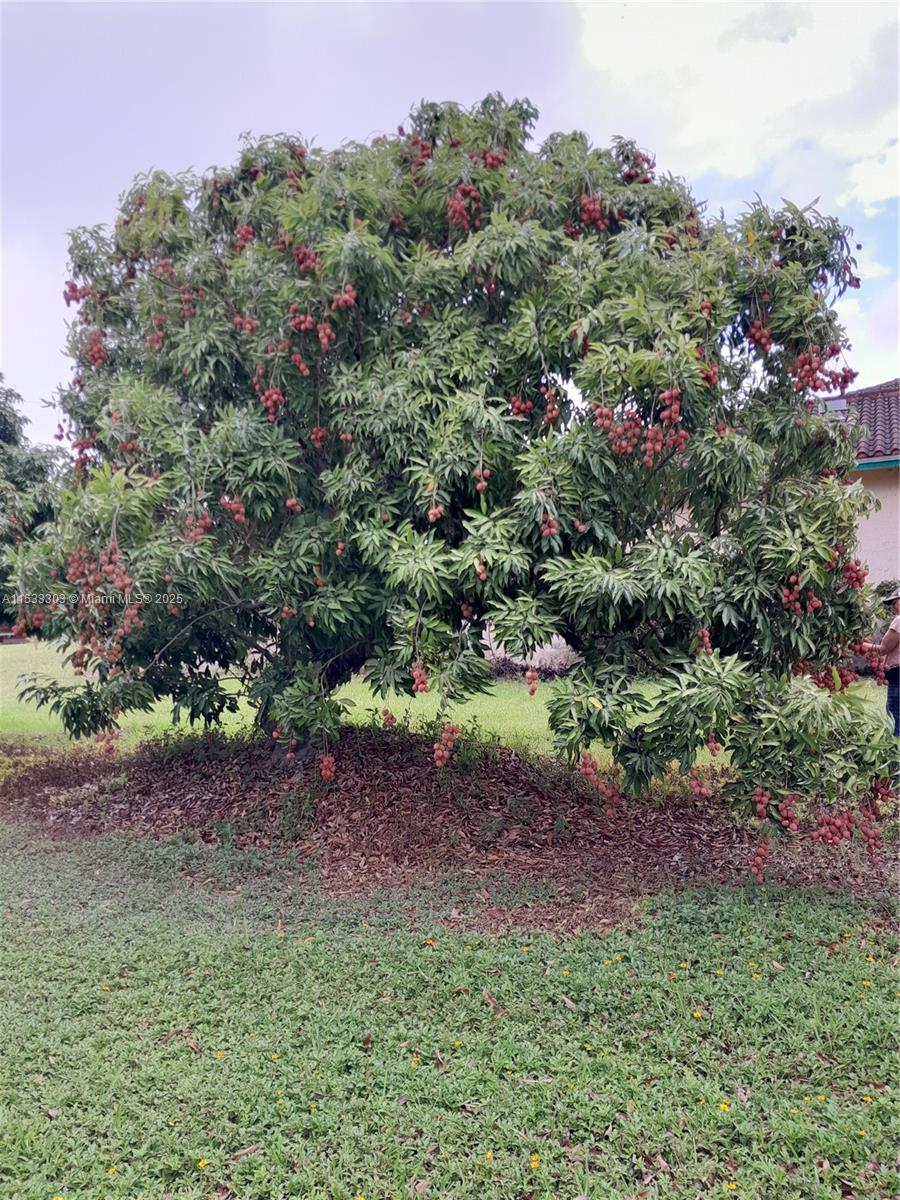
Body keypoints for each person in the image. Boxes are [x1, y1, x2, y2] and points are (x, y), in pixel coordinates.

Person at [861, 589, 900, 737]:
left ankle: (896, 755)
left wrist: (861, 645)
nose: (894, 607)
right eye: (892, 604)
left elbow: (884, 649)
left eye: (896, 602)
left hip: (898, 676)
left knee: (895, 717)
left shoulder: (899, 621)